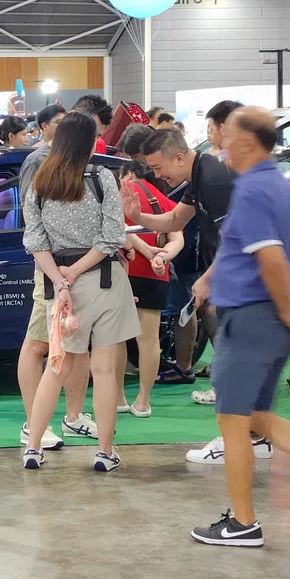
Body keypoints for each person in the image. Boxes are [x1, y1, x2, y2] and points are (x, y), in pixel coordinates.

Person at [190, 107, 290, 548]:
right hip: (267, 318)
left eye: (225, 130)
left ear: (244, 142)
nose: (218, 137)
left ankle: (243, 524)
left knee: (234, 420)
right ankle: (242, 522)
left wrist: (285, 304)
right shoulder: (283, 190)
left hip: (254, 317)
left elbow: (273, 255)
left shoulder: (255, 190)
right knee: (255, 419)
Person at [123, 125, 274, 465]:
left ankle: (243, 439)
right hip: (243, 276)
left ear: (179, 156)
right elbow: (176, 218)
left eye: (159, 168)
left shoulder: (216, 178)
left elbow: (235, 237)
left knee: (235, 361)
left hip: (250, 277)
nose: (157, 175)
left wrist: (206, 278)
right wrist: (139, 217)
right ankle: (257, 436)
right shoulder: (198, 176)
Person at [22, 111, 141, 472]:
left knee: (55, 367)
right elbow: (112, 238)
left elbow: (34, 240)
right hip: (103, 281)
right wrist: (75, 270)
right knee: (104, 369)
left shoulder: (40, 182)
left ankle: (33, 447)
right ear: (91, 142)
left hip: (58, 288)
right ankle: (105, 452)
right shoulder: (102, 178)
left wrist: (61, 280)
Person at [16, 101, 93, 451]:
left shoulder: (91, 171)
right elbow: (31, 221)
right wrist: (52, 267)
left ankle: (74, 417)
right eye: (59, 123)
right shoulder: (38, 161)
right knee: (39, 345)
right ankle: (33, 424)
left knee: (77, 346)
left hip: (83, 271)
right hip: (49, 270)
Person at [118, 159, 185, 417]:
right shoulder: (163, 201)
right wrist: (162, 257)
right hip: (155, 275)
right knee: (148, 340)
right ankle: (143, 401)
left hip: (124, 271)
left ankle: (119, 398)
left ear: (130, 174)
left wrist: (144, 252)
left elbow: (118, 228)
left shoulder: (122, 194)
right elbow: (177, 238)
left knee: (116, 339)